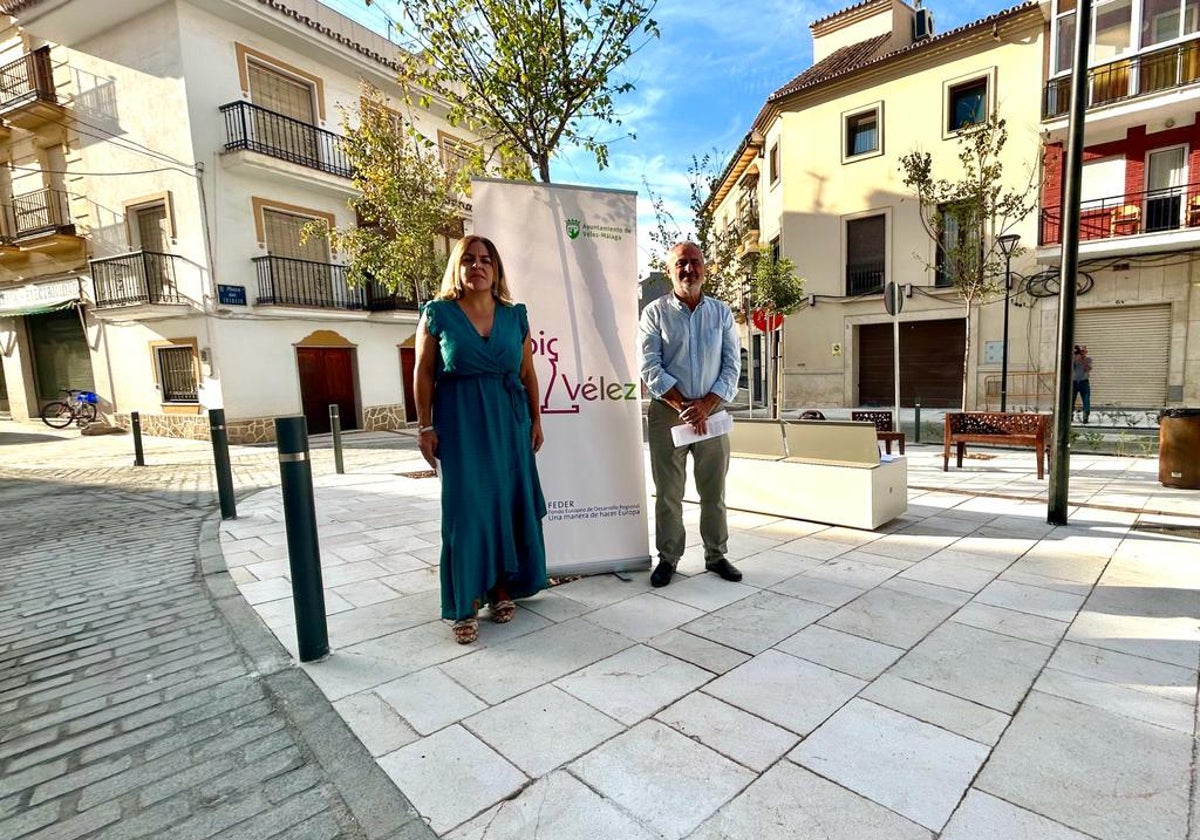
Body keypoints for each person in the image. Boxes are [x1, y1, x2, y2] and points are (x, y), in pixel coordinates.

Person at [413, 236, 548, 644]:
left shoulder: (514, 315)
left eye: (485, 260)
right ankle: (464, 601)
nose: (477, 266)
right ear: (457, 266)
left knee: (506, 505)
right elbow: (422, 373)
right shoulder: (438, 314)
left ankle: (500, 587)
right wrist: (424, 426)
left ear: (496, 269)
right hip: (460, 423)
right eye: (469, 259)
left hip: (510, 423)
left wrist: (536, 420)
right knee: (466, 511)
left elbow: (528, 374)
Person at [638, 241, 742, 588]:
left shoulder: (722, 313)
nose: (688, 270)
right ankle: (668, 558)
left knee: (715, 490)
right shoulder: (654, 313)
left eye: (695, 263)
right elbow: (649, 366)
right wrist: (684, 405)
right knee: (668, 492)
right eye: (681, 263)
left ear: (705, 268)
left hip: (712, 412)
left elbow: (732, 365)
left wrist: (707, 404)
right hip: (670, 412)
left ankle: (716, 555)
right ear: (670, 270)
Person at [1072, 344, 1092, 424]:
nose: (1082, 353)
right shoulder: (1073, 360)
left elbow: (1089, 369)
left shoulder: (1088, 359)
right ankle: (1070, 415)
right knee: (1071, 400)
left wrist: (1082, 360)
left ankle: (1085, 416)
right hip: (1073, 382)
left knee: (1086, 399)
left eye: (1083, 351)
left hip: (1084, 382)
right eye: (1081, 352)